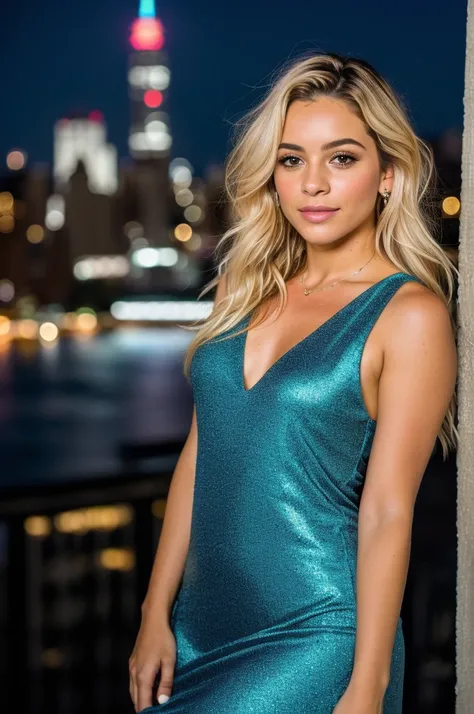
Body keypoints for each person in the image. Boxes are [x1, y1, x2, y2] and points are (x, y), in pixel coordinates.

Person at [129, 52, 458, 714]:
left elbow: (389, 510)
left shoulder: (409, 315)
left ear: (387, 175)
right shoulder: (244, 288)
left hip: (317, 633)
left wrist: (366, 689)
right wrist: (153, 611)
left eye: (341, 158)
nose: (313, 183)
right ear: (272, 177)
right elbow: (203, 453)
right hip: (196, 629)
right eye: (291, 159)